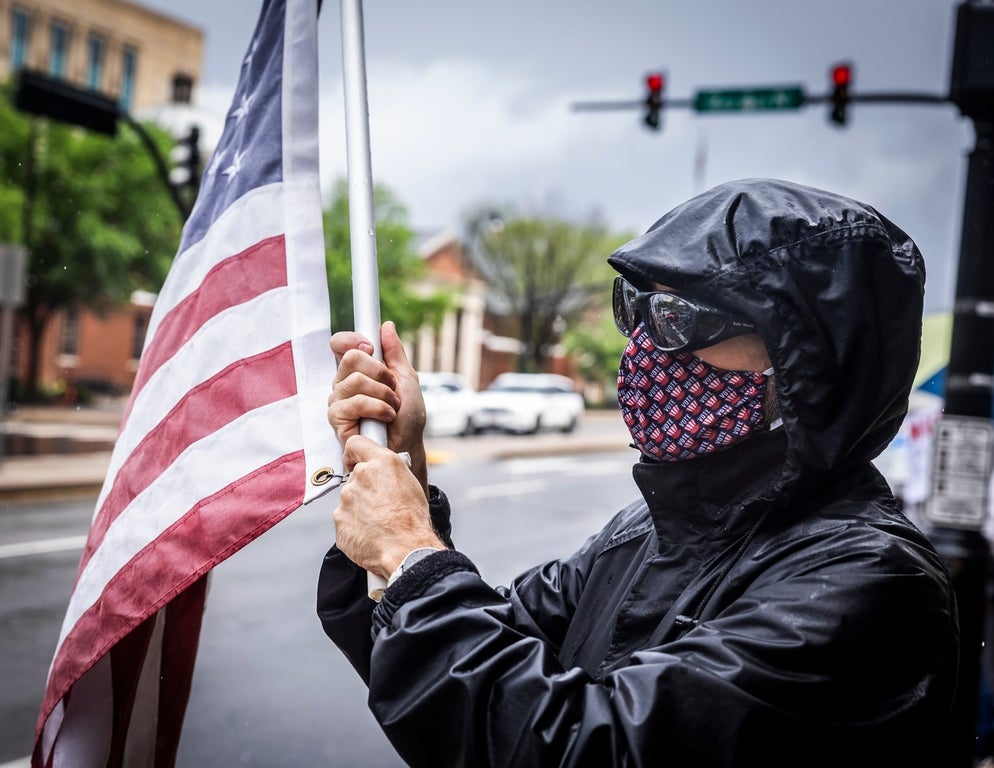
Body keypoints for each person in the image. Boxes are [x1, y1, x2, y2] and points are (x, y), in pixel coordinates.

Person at [317, 178, 959, 766]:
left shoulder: (870, 582)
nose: (645, 348)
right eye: (637, 309)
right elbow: (454, 671)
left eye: (682, 321)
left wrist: (411, 555)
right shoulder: (644, 534)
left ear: (808, 363)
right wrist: (404, 489)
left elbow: (588, 747)